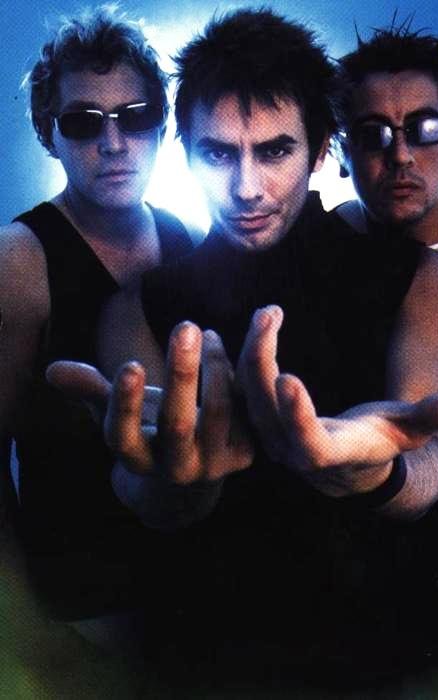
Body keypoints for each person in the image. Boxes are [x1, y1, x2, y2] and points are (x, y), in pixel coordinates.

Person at [50, 9, 438, 689]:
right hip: (201, 656)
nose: (246, 187)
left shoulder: (421, 279)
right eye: (218, 153)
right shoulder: (138, 305)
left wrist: (370, 468)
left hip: (386, 653)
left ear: (320, 150)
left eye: (275, 151)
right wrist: (174, 479)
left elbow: (430, 460)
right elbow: (141, 490)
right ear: (185, 151)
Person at [0, 5, 193, 634]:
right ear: (47, 133)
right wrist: (19, 617)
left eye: (134, 117)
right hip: (78, 603)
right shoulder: (19, 259)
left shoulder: (186, 238)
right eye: (84, 122)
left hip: (193, 590)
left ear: (161, 123)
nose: (113, 143)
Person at [335, 25, 438, 581]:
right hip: (365, 562)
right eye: (372, 134)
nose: (400, 155)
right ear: (342, 151)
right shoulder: (323, 246)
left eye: (424, 130)